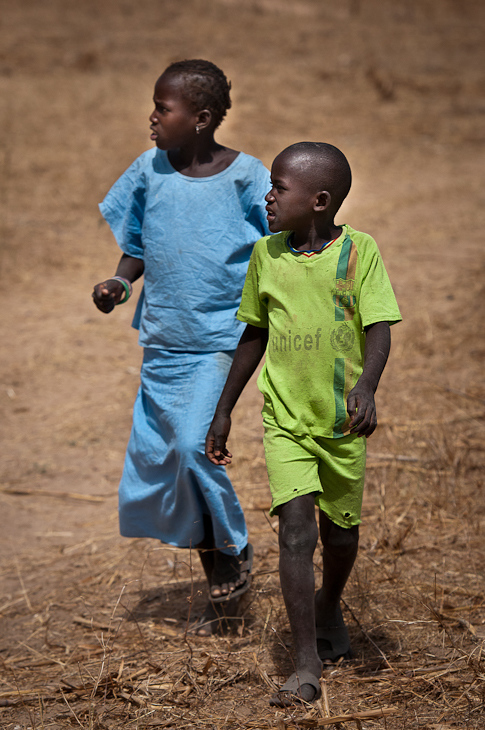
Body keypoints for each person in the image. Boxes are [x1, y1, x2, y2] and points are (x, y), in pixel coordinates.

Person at [206, 142, 401, 704]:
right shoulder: (265, 254)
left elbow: (379, 325)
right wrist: (224, 410)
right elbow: (254, 334)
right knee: (295, 533)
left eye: (279, 188)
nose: (267, 196)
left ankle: (328, 605)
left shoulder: (359, 252)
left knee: (340, 535)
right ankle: (305, 664)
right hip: (285, 418)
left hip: (342, 421)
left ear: (319, 201)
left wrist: (366, 386)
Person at [92, 59, 270, 635]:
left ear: (202, 118)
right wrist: (121, 281)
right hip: (164, 341)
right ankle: (223, 602)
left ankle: (235, 548)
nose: (151, 117)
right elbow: (139, 242)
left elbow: (282, 240)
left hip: (220, 339)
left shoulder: (246, 178)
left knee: (196, 446)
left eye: (162, 108)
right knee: (175, 462)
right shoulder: (149, 171)